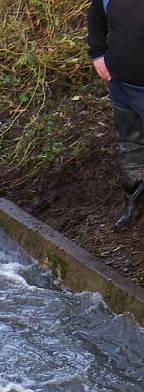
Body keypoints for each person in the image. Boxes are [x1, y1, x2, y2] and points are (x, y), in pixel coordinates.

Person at [87, 0, 144, 229]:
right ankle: (135, 203)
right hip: (121, 84)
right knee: (129, 144)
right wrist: (97, 53)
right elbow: (96, 19)